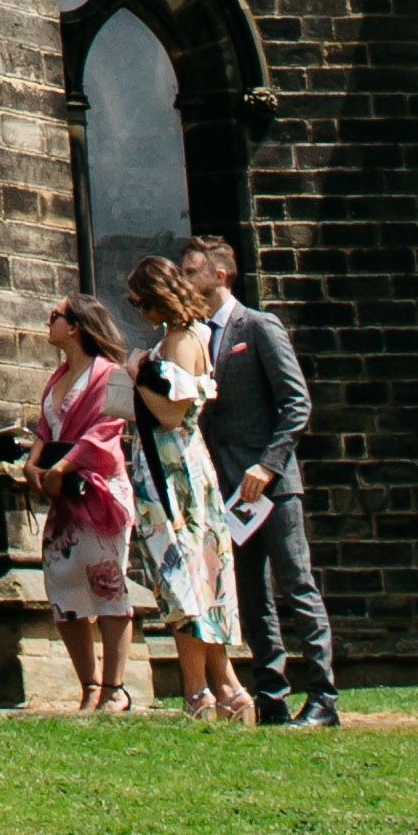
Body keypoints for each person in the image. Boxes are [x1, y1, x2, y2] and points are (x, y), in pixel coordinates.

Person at [183, 235, 338, 727]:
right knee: (249, 596)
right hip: (224, 489)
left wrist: (268, 465)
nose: (185, 280)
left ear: (220, 275)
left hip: (271, 487)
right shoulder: (195, 336)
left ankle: (323, 699)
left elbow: (297, 404)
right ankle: (272, 695)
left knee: (296, 585)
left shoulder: (260, 326)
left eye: (191, 271)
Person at [123, 251, 249, 720]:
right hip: (178, 470)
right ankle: (230, 689)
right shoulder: (185, 335)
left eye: (140, 301)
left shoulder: (180, 339)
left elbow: (172, 413)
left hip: (174, 478)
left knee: (184, 581)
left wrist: (137, 373)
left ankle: (199, 692)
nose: (139, 311)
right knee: (198, 578)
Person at [32, 296, 142, 712]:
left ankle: (115, 688)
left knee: (106, 581)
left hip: (98, 493)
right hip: (62, 497)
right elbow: (46, 426)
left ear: (75, 326)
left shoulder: (111, 375)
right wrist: (33, 463)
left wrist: (65, 464)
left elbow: (108, 428)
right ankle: (89, 686)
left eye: (55, 316)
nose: (49, 322)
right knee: (64, 584)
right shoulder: (57, 375)